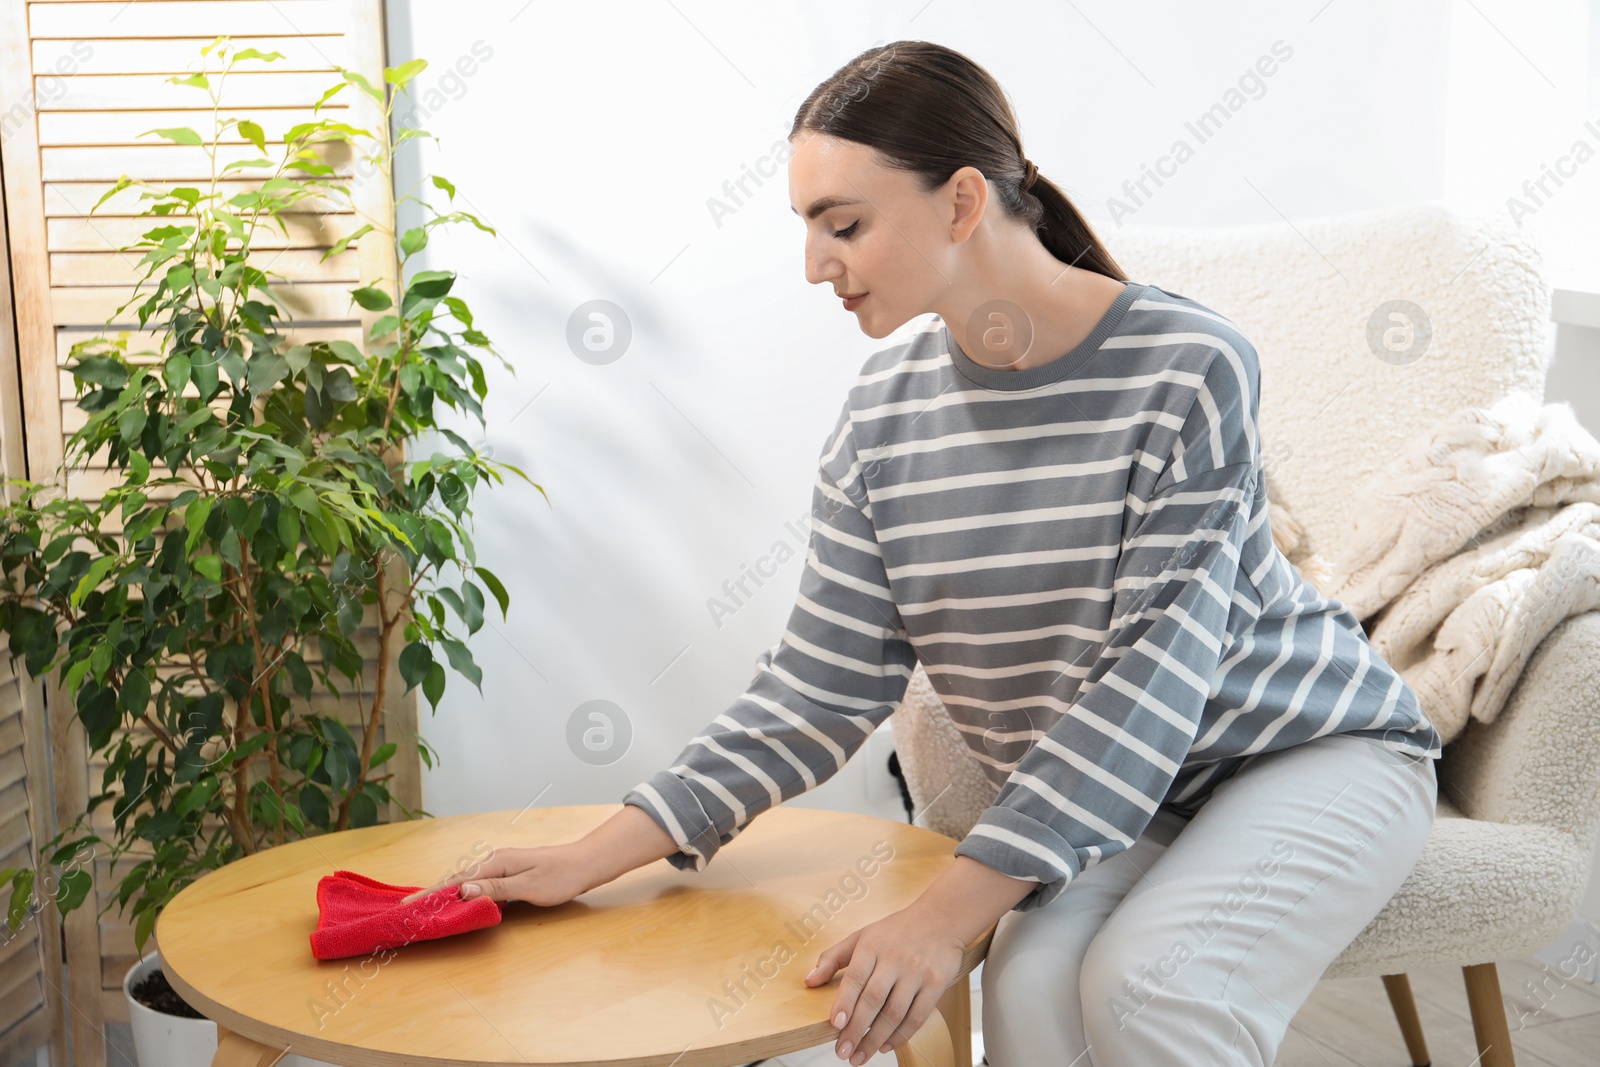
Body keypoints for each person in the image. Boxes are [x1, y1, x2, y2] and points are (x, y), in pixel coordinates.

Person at [403, 40, 1441, 1067]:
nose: (815, 263)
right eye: (807, 228)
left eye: (842, 224)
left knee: (1146, 983)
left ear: (958, 201)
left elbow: (1145, 682)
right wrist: (590, 855)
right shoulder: (882, 417)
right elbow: (816, 689)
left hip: (1311, 753)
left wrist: (941, 914)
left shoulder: (1188, 365)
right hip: (1131, 797)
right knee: (1029, 988)